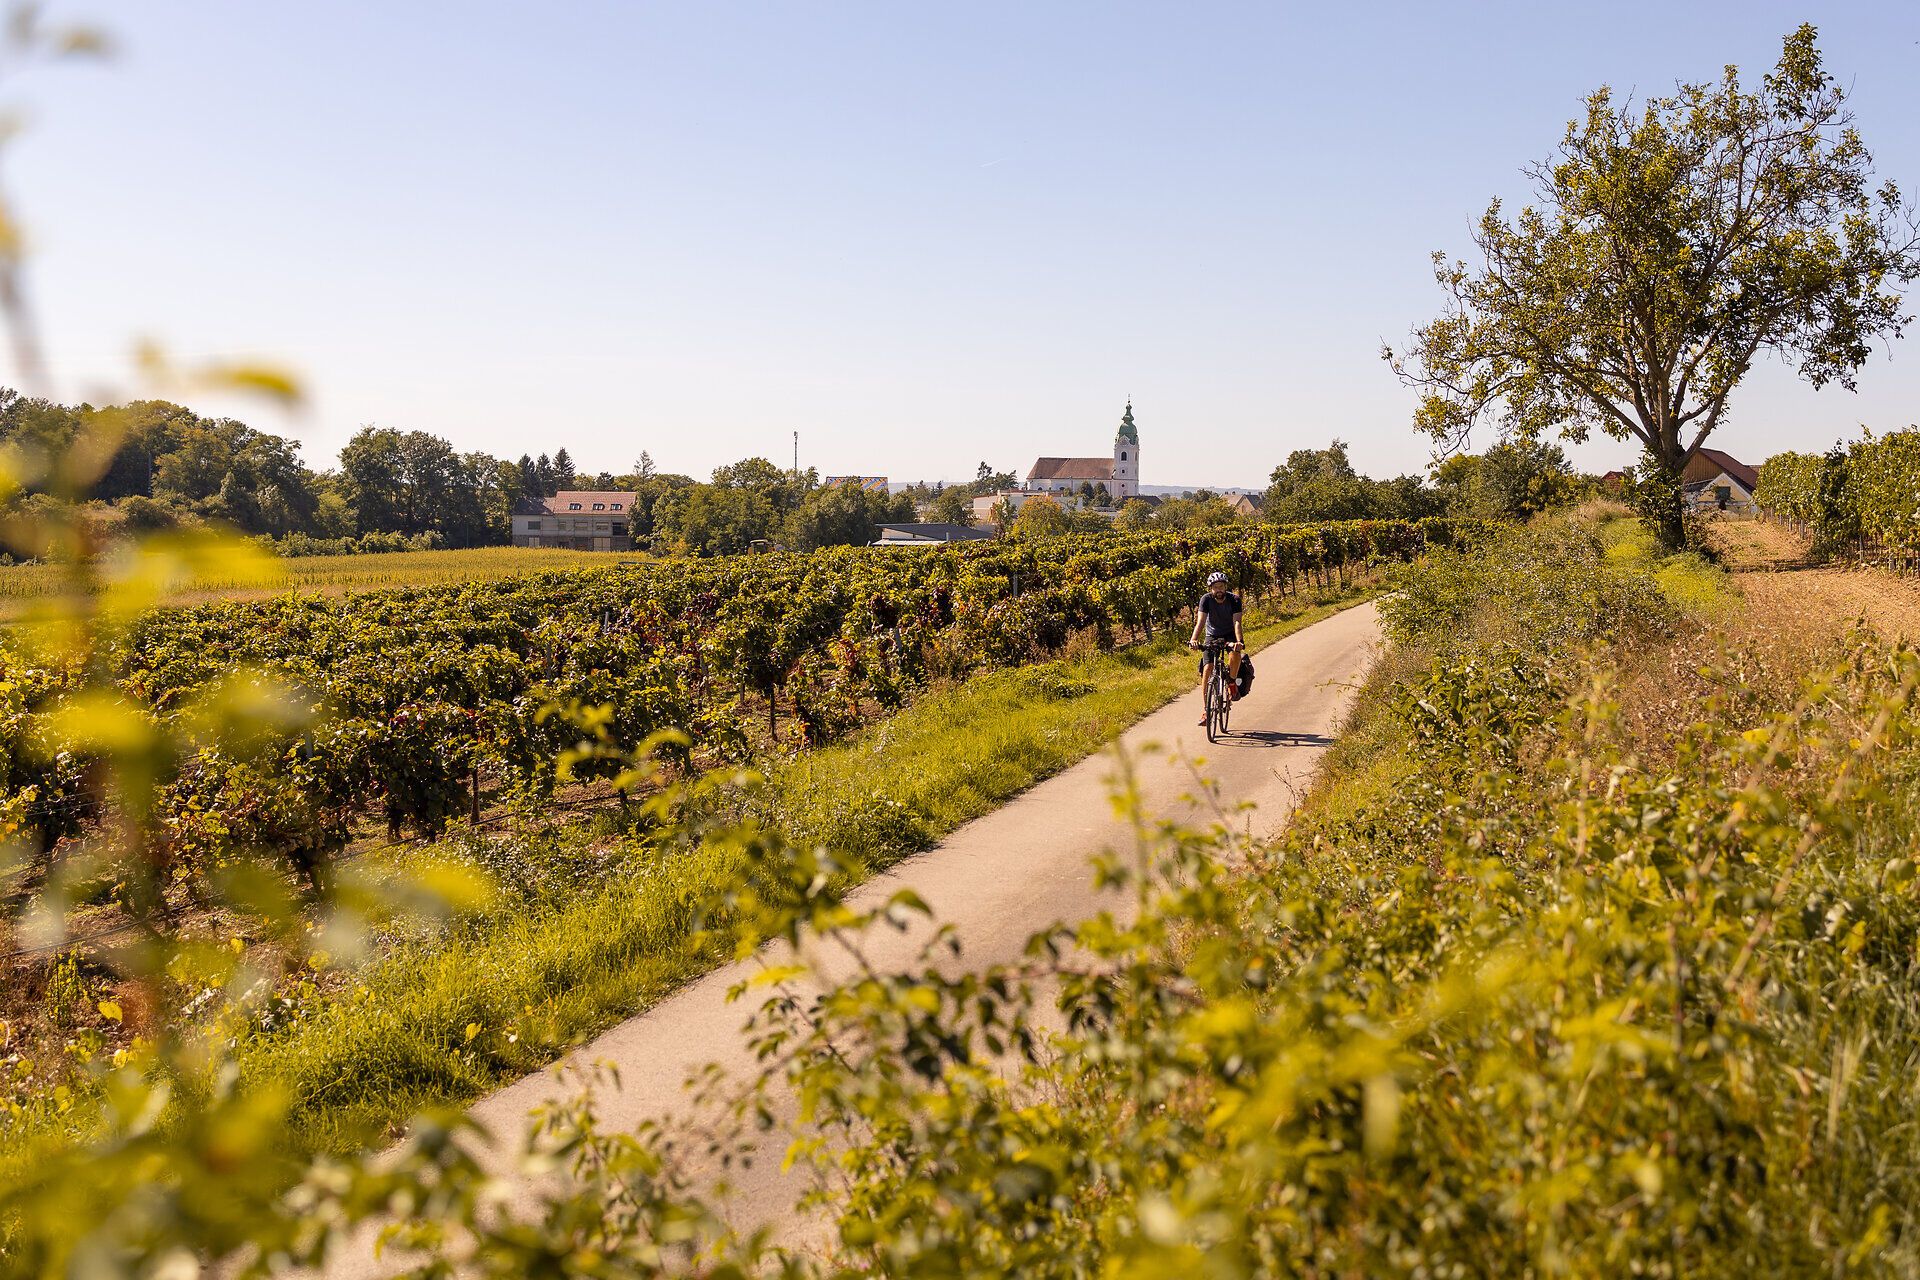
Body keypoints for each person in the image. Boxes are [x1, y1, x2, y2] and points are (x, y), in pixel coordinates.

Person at [1187, 571, 1244, 725]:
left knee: (1235, 653)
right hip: (1212, 635)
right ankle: (1207, 709)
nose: (1218, 590)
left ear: (1225, 587)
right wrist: (1194, 639)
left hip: (1230, 634)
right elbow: (1200, 621)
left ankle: (1231, 683)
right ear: (1210, 589)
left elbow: (1237, 622)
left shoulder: (1235, 600)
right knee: (1207, 669)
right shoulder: (1205, 600)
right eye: (1215, 587)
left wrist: (1238, 641)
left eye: (1221, 586)